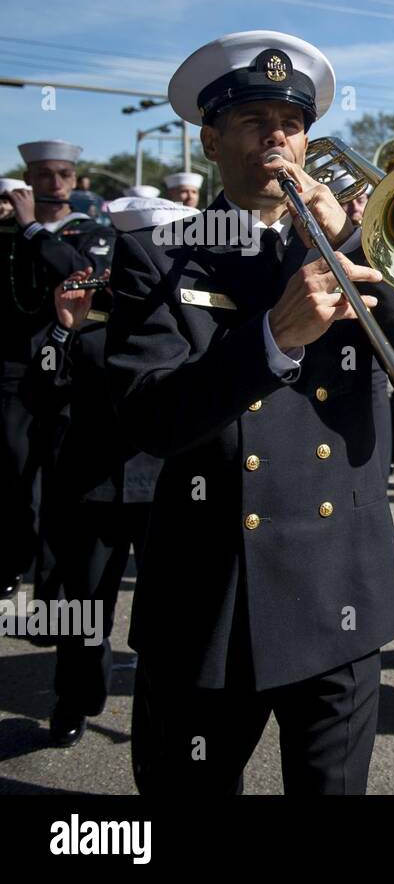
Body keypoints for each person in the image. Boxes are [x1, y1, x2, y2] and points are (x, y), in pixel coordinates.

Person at [106, 30, 394, 793]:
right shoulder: (158, 256)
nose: (278, 138)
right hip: (213, 599)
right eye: (253, 120)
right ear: (210, 139)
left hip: (342, 593)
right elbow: (150, 419)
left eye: (292, 123)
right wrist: (270, 338)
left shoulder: (360, 242)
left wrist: (352, 240)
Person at [20, 198, 191, 747]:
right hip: (91, 486)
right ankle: (75, 700)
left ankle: (174, 714)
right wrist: (66, 329)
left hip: (166, 485)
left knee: (171, 616)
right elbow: (40, 392)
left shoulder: (193, 306)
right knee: (83, 609)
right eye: (133, 250)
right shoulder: (89, 307)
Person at [1, 141, 105, 602]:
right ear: (28, 179)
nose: (55, 184)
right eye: (44, 175)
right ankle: (12, 562)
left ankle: (51, 583)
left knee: (59, 480)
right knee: (14, 469)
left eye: (63, 174)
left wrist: (30, 230)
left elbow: (80, 274)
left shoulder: (85, 232)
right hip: (15, 369)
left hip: (65, 368)